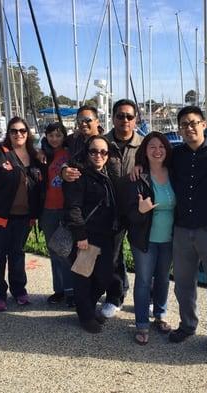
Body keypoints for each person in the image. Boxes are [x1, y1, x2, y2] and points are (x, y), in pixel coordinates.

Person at [63, 99, 143, 320]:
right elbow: (73, 161)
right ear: (113, 118)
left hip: (136, 210)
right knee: (111, 261)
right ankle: (110, 299)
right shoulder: (101, 142)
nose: (124, 120)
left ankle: (133, 299)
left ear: (135, 119)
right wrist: (63, 170)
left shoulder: (145, 144)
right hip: (108, 216)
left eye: (129, 116)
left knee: (131, 261)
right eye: (120, 116)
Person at [165, 106, 207, 354]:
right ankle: (187, 324)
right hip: (182, 229)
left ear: (203, 124)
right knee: (183, 283)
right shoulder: (176, 154)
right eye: (184, 124)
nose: (189, 127)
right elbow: (153, 160)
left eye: (193, 122)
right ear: (180, 129)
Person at [0, 117, 44, 311]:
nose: (18, 134)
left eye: (22, 131)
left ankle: (19, 289)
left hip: (24, 217)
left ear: (27, 133)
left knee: (17, 255)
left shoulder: (34, 156)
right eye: (14, 131)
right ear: (8, 133)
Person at [118, 132, 175, 345]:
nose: (157, 150)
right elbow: (127, 214)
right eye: (152, 146)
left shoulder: (174, 173)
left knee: (162, 278)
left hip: (168, 238)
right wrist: (140, 210)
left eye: (161, 146)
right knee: (143, 280)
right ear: (145, 150)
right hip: (144, 239)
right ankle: (141, 323)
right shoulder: (137, 177)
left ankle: (160, 314)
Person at [63, 135, 118, 333]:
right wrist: (80, 236)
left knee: (104, 277)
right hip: (86, 235)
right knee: (83, 278)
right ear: (87, 153)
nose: (98, 155)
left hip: (106, 234)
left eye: (103, 152)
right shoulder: (78, 174)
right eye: (93, 151)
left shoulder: (108, 173)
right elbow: (73, 206)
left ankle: (86, 306)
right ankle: (85, 316)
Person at [40, 122, 74, 306]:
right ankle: (59, 290)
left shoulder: (69, 153)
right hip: (47, 210)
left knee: (66, 251)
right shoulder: (43, 154)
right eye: (51, 135)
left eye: (58, 135)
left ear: (64, 137)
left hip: (64, 209)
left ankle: (71, 291)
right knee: (53, 252)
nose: (54, 139)